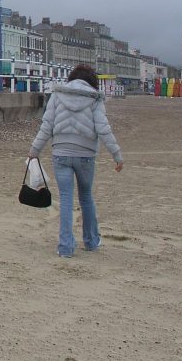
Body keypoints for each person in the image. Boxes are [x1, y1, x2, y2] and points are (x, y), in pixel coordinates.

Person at [29, 64, 123, 258]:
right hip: (86, 154)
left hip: (61, 153)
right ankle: (90, 241)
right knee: (86, 197)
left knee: (65, 198)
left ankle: (65, 247)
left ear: (72, 78)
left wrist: (34, 151)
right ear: (92, 82)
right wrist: (117, 155)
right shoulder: (94, 98)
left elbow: (46, 126)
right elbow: (103, 128)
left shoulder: (58, 94)